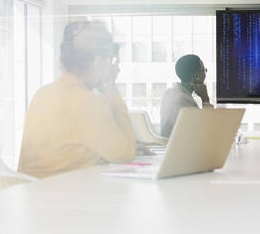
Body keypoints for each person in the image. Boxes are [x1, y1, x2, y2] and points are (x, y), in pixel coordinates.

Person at [18, 21, 136, 178]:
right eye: (111, 60)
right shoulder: (88, 102)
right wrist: (111, 88)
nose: (115, 67)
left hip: (33, 192)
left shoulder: (43, 93)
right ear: (98, 62)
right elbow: (125, 155)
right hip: (66, 195)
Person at [160, 54, 214, 137]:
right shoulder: (183, 99)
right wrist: (205, 99)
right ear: (197, 76)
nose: (205, 74)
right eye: (204, 70)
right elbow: (206, 130)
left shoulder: (168, 93)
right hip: (183, 147)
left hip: (173, 145)